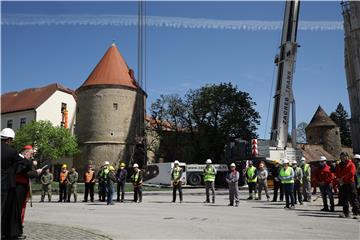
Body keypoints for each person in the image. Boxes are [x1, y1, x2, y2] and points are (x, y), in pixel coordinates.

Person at [1, 128, 39, 239]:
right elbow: (21, 164)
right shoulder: (11, 151)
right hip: (6, 185)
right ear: (9, 140)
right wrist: (32, 164)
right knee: (4, 209)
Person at [15, 145, 40, 228]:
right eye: (31, 153)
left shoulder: (27, 161)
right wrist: (36, 172)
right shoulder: (19, 159)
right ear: (26, 152)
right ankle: (17, 222)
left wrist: (36, 171)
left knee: (23, 205)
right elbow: (24, 172)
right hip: (18, 185)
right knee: (18, 205)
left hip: (24, 185)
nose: (32, 156)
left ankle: (20, 221)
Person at [336, 152, 360, 218]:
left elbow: (351, 173)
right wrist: (338, 179)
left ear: (347, 157)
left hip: (350, 183)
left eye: (344, 156)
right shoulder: (339, 165)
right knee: (344, 199)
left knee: (353, 198)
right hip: (343, 184)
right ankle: (346, 213)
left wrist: (342, 179)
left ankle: (357, 212)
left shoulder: (351, 164)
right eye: (341, 156)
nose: (342, 158)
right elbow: (337, 172)